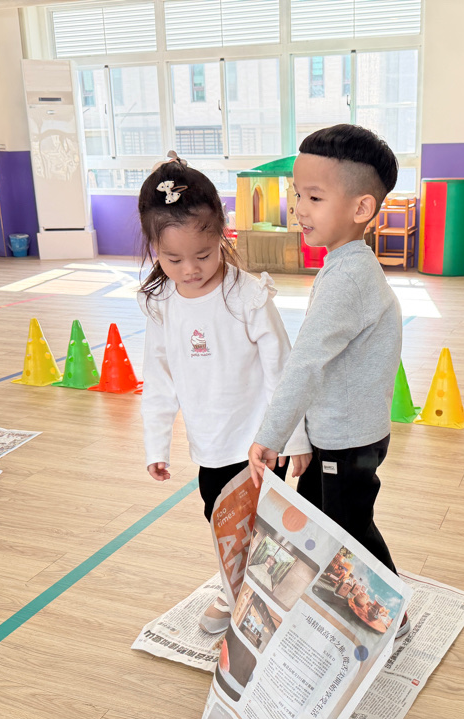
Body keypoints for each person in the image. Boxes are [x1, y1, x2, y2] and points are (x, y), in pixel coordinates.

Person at [247, 125, 411, 641]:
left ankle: (393, 614)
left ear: (362, 208)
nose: (299, 208)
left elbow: (305, 365)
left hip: (349, 439)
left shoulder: (347, 279)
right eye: (298, 194)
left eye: (314, 197)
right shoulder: (345, 265)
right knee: (318, 518)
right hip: (337, 433)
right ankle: (326, 605)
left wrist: (271, 436)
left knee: (349, 531)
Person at [136, 152, 311, 632]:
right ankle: (234, 588)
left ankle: (271, 595)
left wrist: (293, 437)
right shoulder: (160, 303)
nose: (190, 269)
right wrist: (155, 445)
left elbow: (283, 369)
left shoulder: (247, 295)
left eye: (203, 254)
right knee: (221, 521)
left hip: (260, 441)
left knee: (265, 524)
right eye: (173, 259)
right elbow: (159, 378)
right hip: (209, 444)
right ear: (153, 248)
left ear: (222, 235)